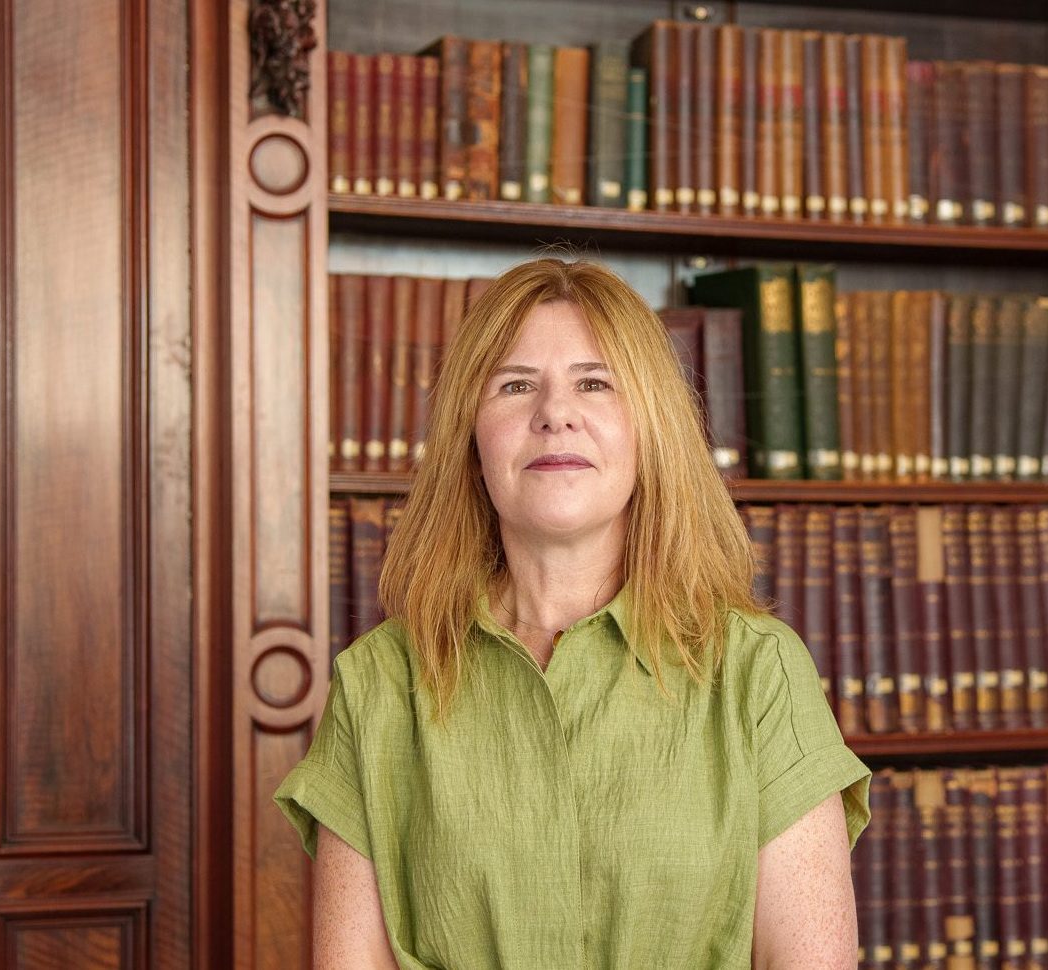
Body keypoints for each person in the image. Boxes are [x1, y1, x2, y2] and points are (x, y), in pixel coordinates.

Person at [274, 257, 871, 969]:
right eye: (516, 385)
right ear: (472, 442)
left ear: (650, 431)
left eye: (595, 383)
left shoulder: (758, 671)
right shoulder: (377, 683)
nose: (555, 412)